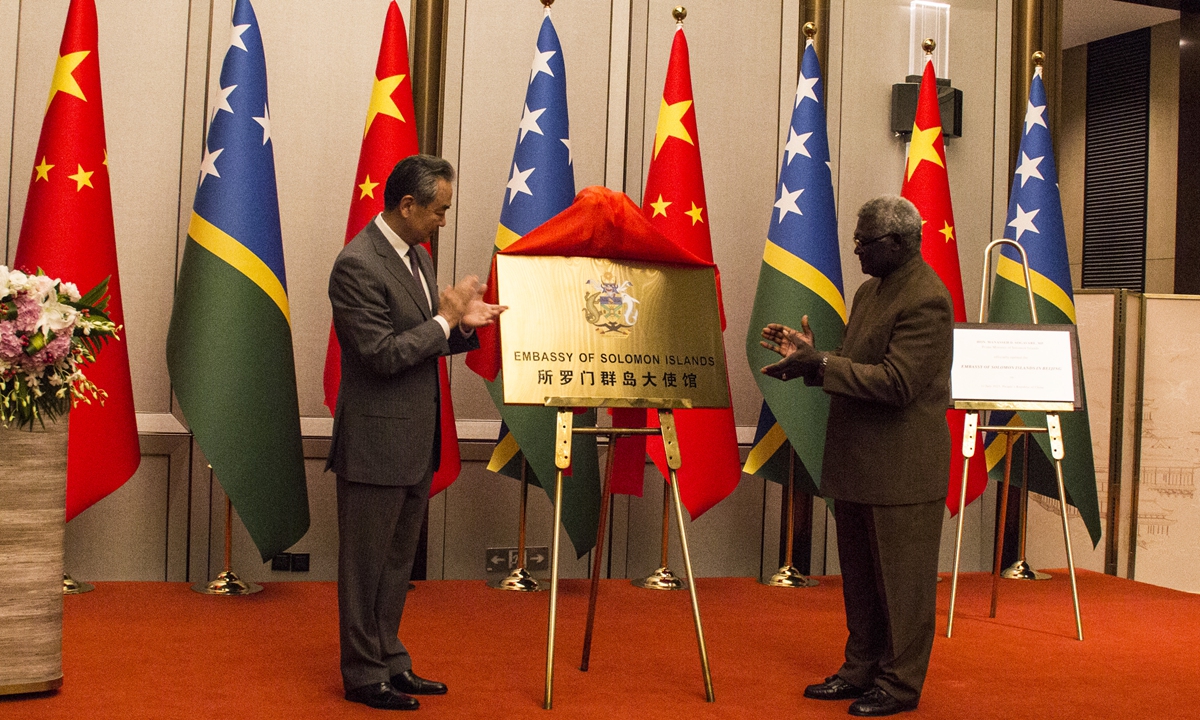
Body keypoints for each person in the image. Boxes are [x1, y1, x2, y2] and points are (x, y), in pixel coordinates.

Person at [760, 195, 952, 717]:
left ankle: (899, 684)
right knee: (863, 583)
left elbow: (897, 382)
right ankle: (861, 667)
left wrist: (822, 364)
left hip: (902, 473)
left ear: (898, 243)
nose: (856, 249)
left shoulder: (927, 298)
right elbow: (857, 363)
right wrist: (811, 357)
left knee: (903, 587)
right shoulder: (870, 291)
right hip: (859, 465)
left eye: (865, 241)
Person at [327, 154, 505, 711]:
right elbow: (381, 354)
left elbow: (423, 338)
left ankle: (390, 659)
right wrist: (444, 321)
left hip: (415, 439)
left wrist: (461, 326)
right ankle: (362, 675)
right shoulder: (357, 264)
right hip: (374, 443)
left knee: (397, 564)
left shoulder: (418, 256)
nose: (444, 221)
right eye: (439, 210)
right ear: (407, 205)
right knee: (364, 568)